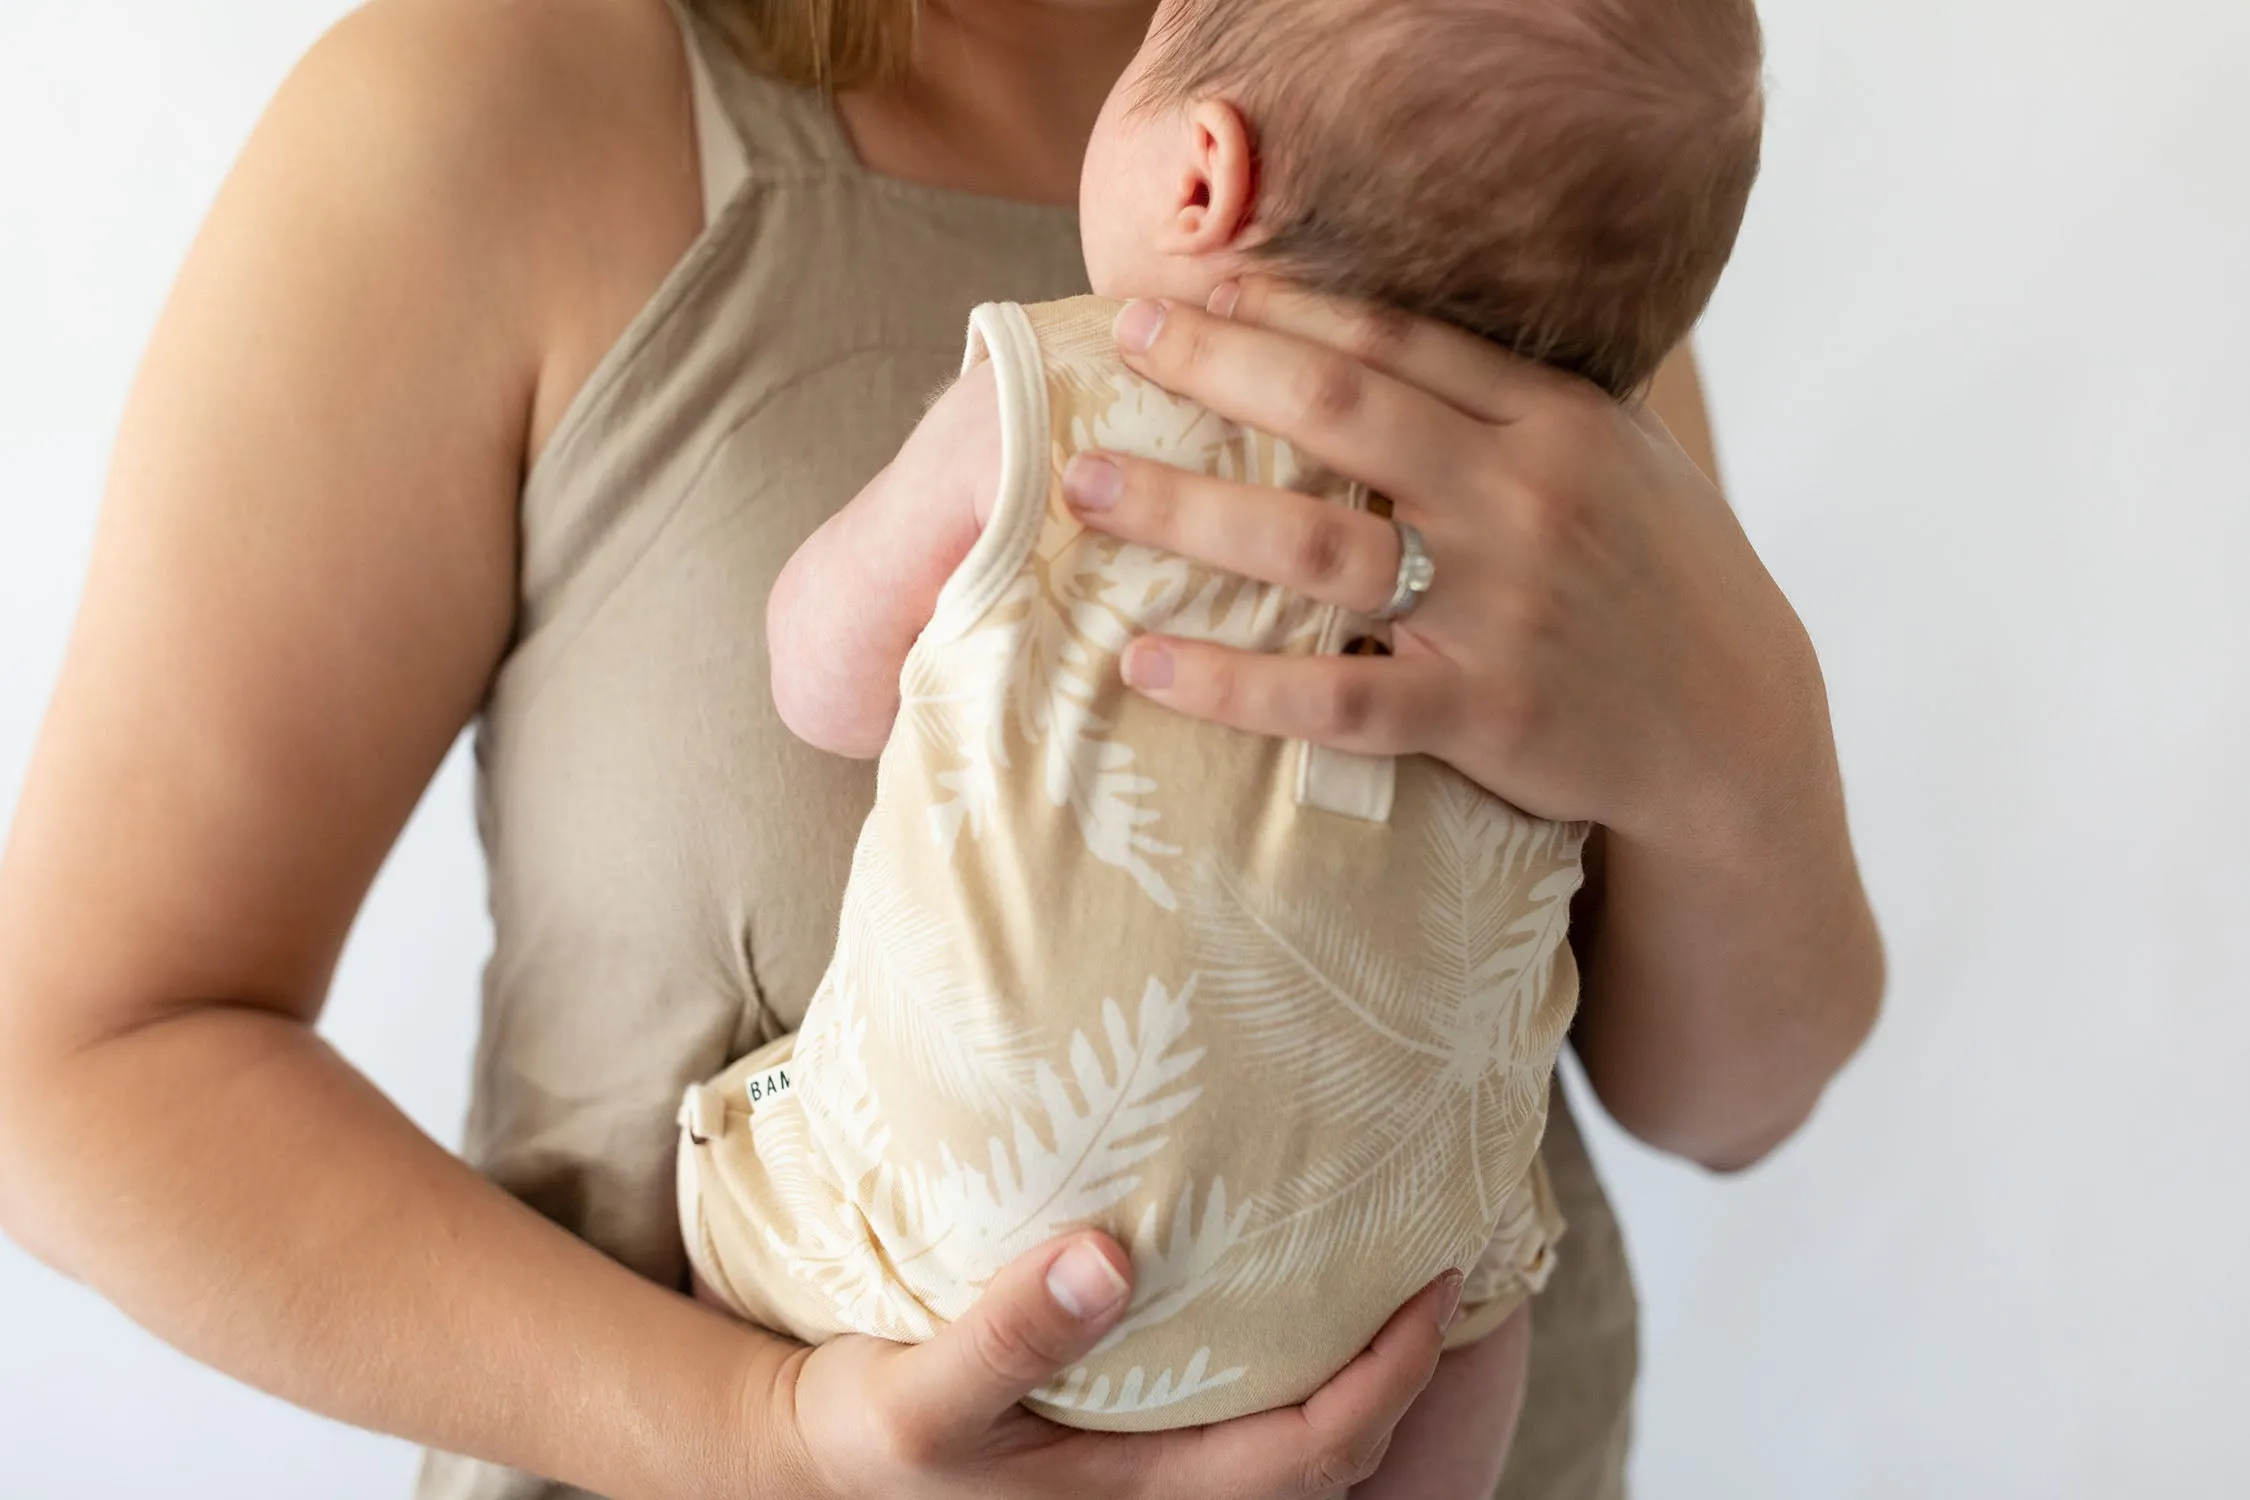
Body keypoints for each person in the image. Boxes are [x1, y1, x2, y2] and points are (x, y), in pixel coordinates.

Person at [0, 0, 1883, 1497]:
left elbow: (1717, 1102)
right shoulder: (500, 103)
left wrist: (1747, 753)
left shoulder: (1514, 156)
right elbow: (76, 1068)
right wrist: (767, 1443)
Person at [682, 5, 1764, 1498]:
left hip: (970, 1226)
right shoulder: (1567, 536)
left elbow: (820, 678)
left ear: (1202, 174)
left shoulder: (1053, 390)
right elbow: (1729, 1109)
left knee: (732, 1185)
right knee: (1474, 1307)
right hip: (1379, 1274)